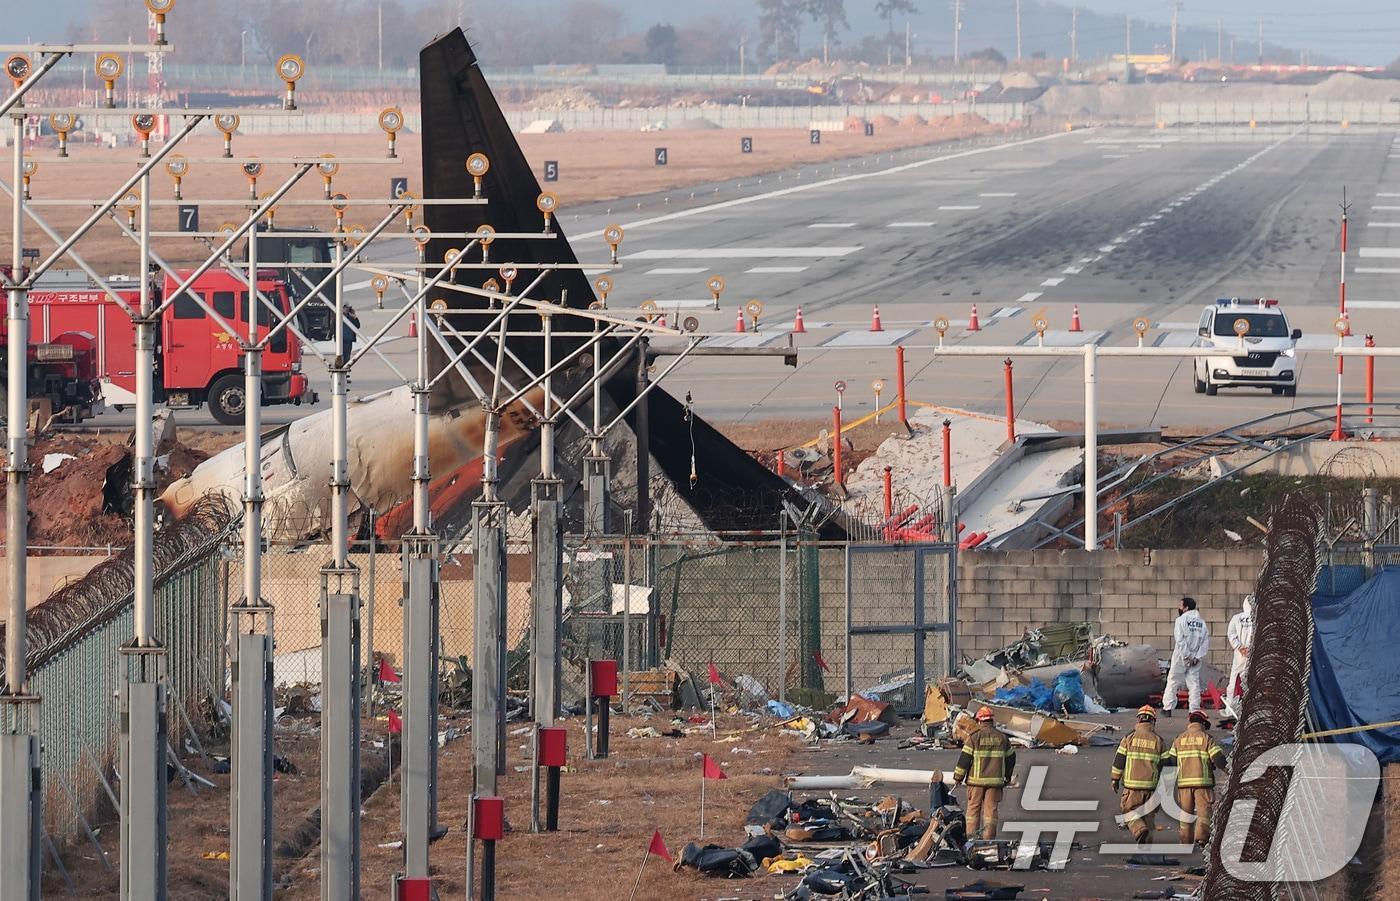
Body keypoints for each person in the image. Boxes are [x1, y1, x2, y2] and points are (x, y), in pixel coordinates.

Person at [1162, 710, 1230, 849]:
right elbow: (1218, 759)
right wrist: (1230, 771)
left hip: (1184, 784)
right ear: (1203, 723)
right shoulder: (1206, 738)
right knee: (1203, 812)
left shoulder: (1178, 739)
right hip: (1202, 783)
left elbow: (1171, 762)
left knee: (1185, 813)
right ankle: (1201, 838)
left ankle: (1185, 841)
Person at [953, 706, 1015, 841]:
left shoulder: (974, 738)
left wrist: (958, 777)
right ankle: (988, 840)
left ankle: (972, 840)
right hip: (995, 783)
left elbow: (964, 759)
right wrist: (1007, 777)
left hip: (976, 782)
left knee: (973, 811)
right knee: (990, 812)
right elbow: (1011, 759)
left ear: (980, 721)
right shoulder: (1002, 738)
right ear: (991, 721)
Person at [1111, 705, 1166, 844]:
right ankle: (1146, 852)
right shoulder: (1159, 741)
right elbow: (1168, 766)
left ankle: (1139, 829)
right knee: (1148, 818)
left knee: (1128, 811)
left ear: (1139, 719)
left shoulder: (1129, 738)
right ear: (1153, 721)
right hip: (1151, 788)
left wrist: (1115, 779)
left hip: (1132, 787)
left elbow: (1119, 761)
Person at [1163, 596, 1209, 716]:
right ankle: (1193, 710)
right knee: (1194, 684)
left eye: (1180, 605)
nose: (1179, 607)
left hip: (1181, 656)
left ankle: (1167, 708)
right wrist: (1197, 657)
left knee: (1173, 680)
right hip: (1195, 658)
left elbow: (1180, 639)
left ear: (1186, 608)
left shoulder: (1181, 620)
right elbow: (1205, 642)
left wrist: (1186, 656)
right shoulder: (1202, 623)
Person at [1224, 595, 1254, 719]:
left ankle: (1230, 709)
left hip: (1239, 654)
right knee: (1250, 682)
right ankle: (1250, 710)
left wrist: (1240, 647)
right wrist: (1250, 649)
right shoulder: (1257, 618)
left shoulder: (1236, 618)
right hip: (1252, 654)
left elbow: (1231, 634)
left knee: (1234, 681)